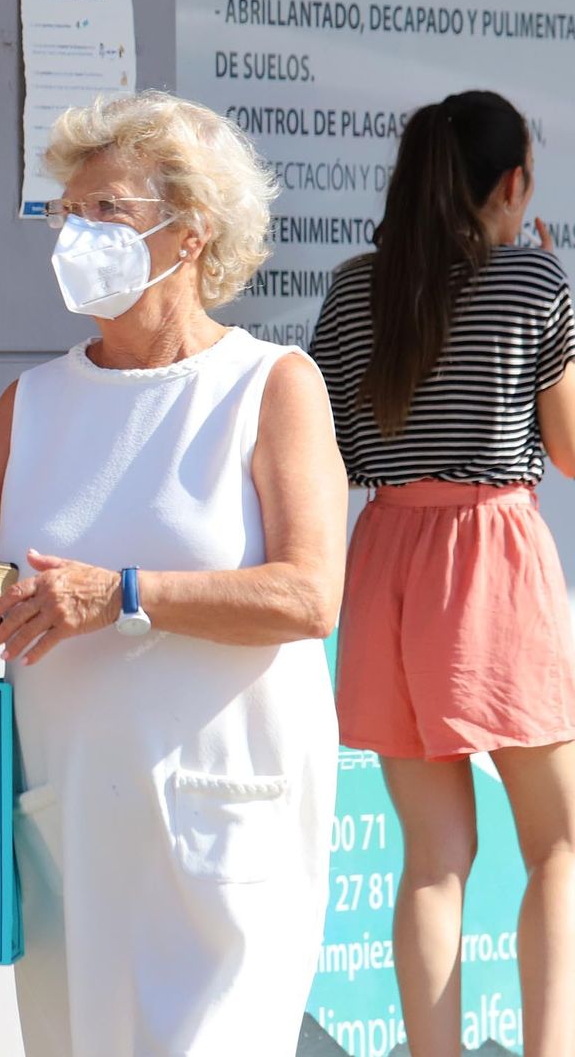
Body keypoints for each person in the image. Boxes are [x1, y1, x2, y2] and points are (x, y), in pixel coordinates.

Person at [0, 91, 346, 1055]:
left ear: (191, 232)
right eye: (69, 210)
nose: (77, 232)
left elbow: (310, 597)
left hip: (230, 827)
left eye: (107, 209)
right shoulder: (32, 402)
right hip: (70, 835)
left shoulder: (270, 384)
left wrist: (125, 595)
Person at [309, 89, 575, 1056]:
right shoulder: (532, 279)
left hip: (387, 560)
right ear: (513, 185)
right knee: (560, 843)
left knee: (432, 857)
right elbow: (572, 449)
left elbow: (332, 454)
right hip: (490, 557)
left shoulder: (354, 289)